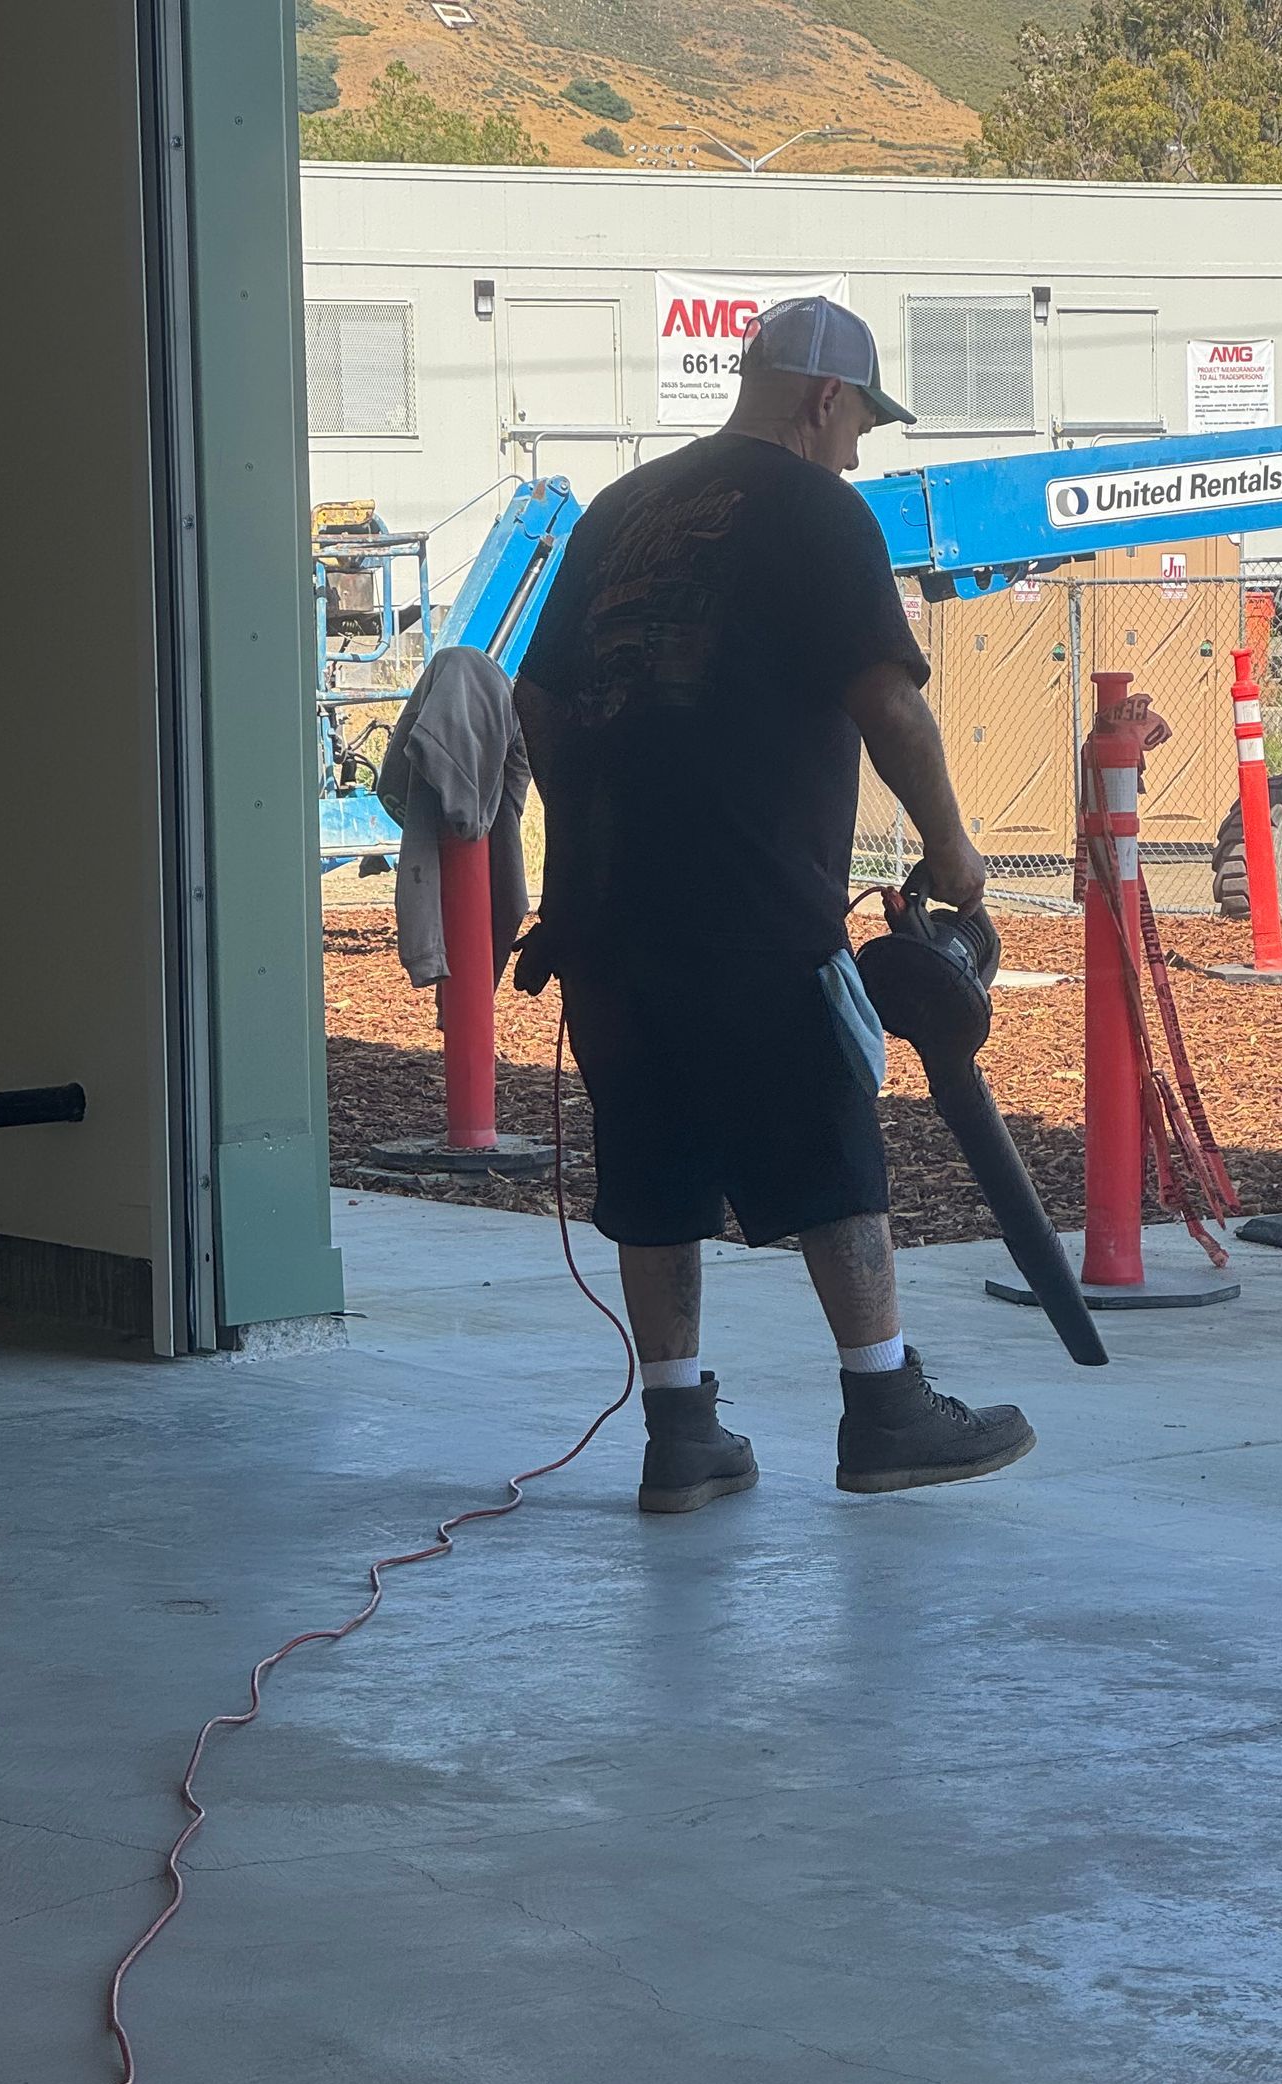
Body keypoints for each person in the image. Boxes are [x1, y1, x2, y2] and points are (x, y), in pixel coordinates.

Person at [514, 294, 1033, 1514]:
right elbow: (889, 704)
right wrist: (955, 854)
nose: (858, 449)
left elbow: (537, 704)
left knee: (653, 1159)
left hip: (607, 915)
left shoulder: (619, 512)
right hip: (752, 904)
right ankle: (886, 1408)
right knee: (828, 1146)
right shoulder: (818, 511)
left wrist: (588, 855)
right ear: (820, 397)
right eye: (858, 422)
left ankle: (679, 1434)